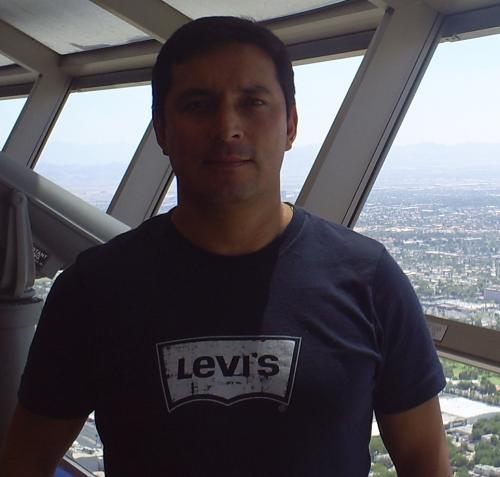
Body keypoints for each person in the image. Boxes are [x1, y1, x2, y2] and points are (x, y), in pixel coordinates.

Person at [0, 16, 450, 477]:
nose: (227, 127)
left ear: (290, 125)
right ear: (162, 130)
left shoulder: (369, 281)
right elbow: (27, 460)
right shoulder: (93, 290)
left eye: (253, 102)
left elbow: (424, 459)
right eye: (198, 104)